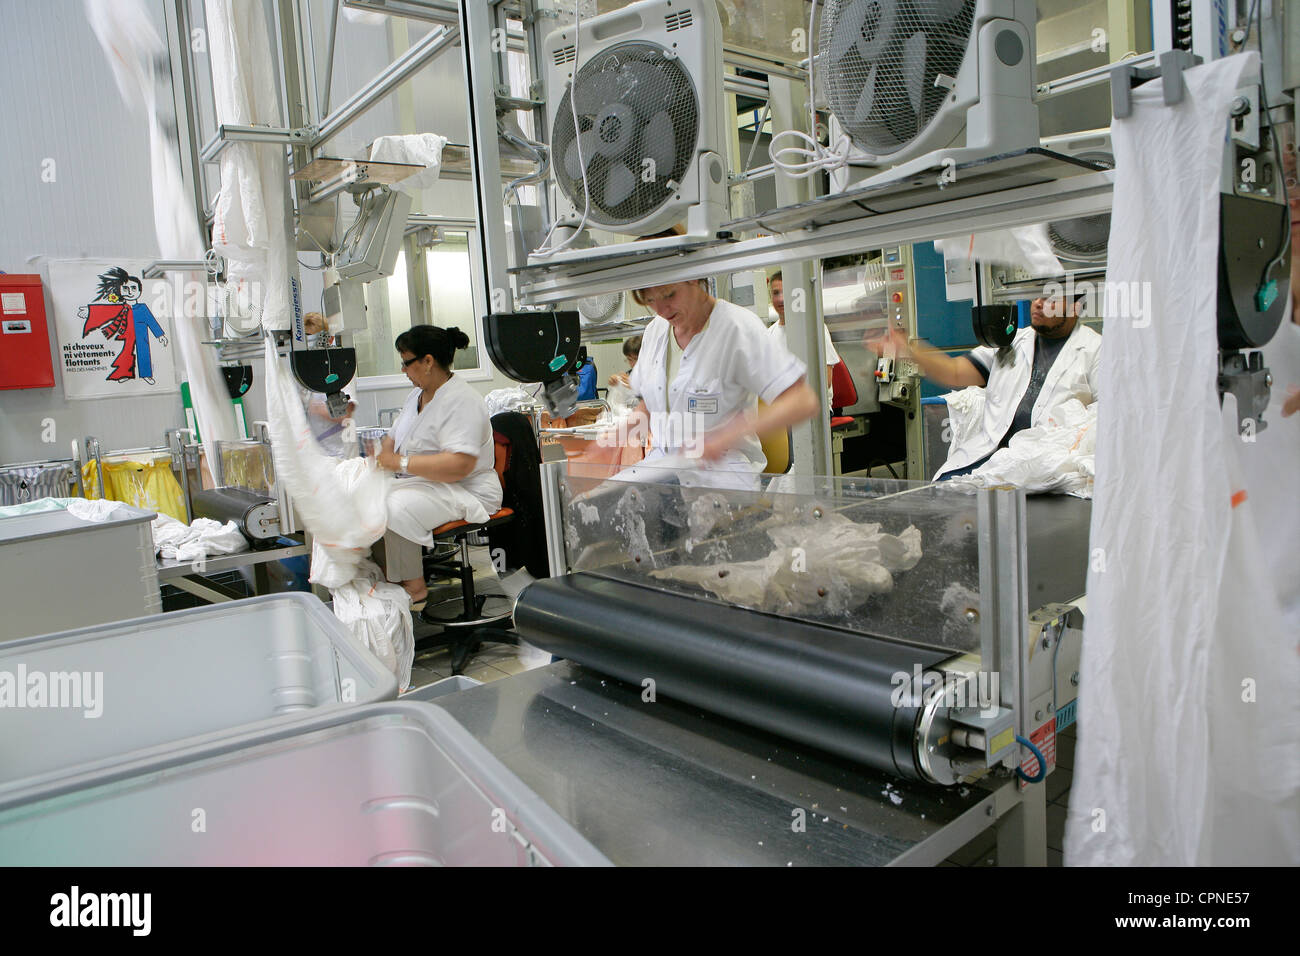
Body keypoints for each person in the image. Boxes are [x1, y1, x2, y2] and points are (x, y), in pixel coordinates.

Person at [871, 294, 1101, 480]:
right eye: (1035, 297)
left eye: (1051, 299)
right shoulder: (1011, 342)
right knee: (944, 495)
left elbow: (1102, 416)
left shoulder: (1095, 349)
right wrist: (907, 350)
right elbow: (955, 372)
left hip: (1045, 464)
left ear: (1074, 308)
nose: (1038, 303)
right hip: (989, 456)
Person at [619, 277, 819, 489]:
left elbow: (802, 401)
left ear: (695, 279)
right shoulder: (655, 331)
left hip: (724, 474)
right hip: (665, 470)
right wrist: (615, 438)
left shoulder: (737, 327)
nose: (661, 309)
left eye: (669, 295)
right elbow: (649, 403)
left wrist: (724, 437)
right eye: (650, 300)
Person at [371, 325, 503, 604]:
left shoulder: (461, 400)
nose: (404, 371)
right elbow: (394, 436)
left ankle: (413, 586)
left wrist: (401, 462)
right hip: (432, 485)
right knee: (368, 498)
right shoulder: (416, 396)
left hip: (467, 488)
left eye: (407, 363)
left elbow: (458, 465)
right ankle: (387, 577)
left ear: (428, 361)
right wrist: (382, 455)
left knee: (393, 507)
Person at [766, 270, 839, 405]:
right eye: (776, 293)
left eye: (785, 291)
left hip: (814, 411)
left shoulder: (814, 329)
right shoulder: (768, 335)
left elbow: (825, 381)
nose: (781, 299)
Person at [300, 312, 356, 457]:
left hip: (340, 453)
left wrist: (315, 408)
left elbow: (345, 415)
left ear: (327, 339)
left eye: (314, 340)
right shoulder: (307, 373)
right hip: (319, 453)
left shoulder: (341, 371)